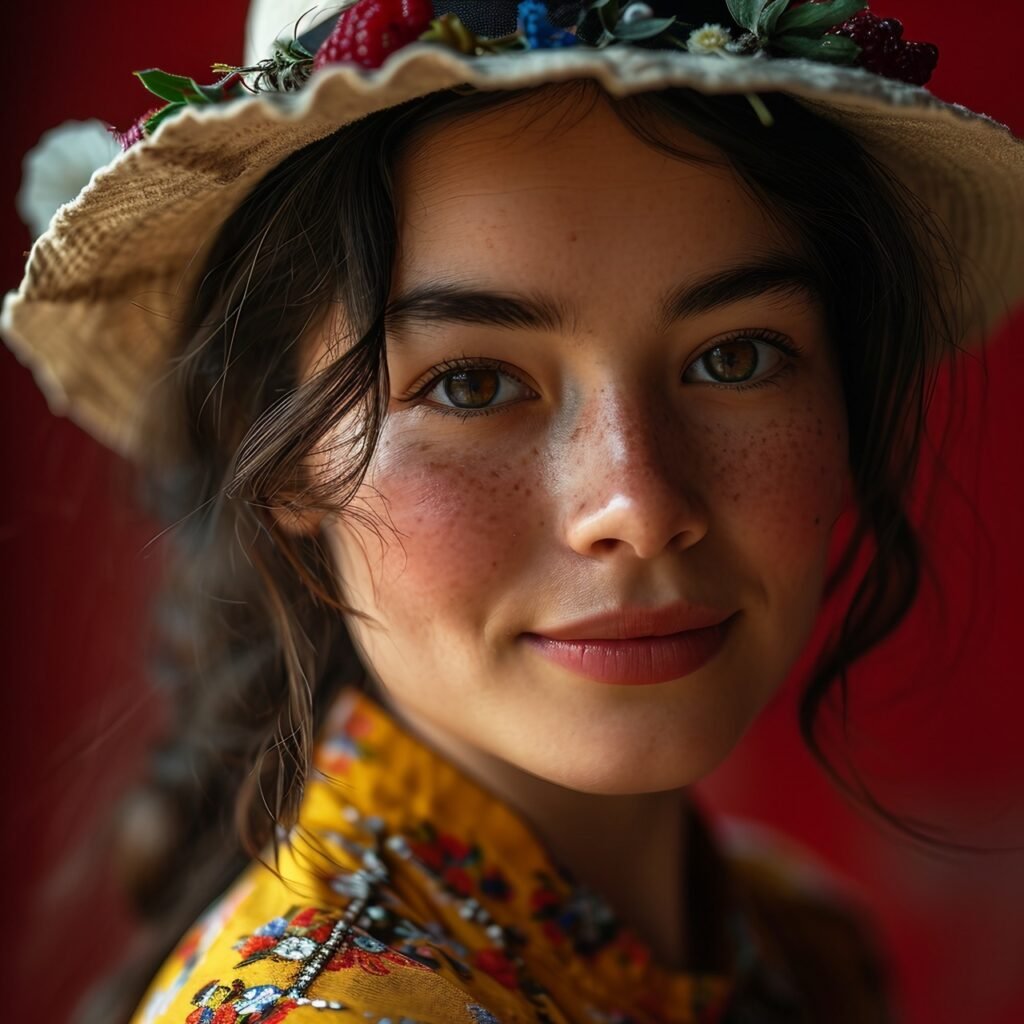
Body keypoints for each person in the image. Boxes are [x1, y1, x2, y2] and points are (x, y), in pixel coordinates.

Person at [4, 1, 1022, 1022]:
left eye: (734, 357)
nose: (636, 503)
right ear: (281, 457)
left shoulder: (796, 942)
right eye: (472, 384)